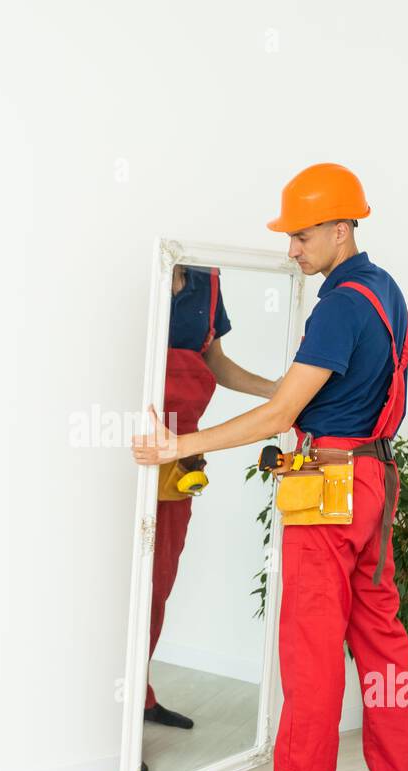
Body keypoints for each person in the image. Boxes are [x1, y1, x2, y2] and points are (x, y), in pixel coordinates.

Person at [131, 163, 408, 771]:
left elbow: (277, 416)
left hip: (326, 486)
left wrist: (176, 447)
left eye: (302, 235)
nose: (292, 249)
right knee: (382, 637)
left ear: (343, 226)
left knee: (312, 648)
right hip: (377, 480)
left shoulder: (339, 306)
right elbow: (317, 394)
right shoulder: (387, 291)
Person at [144, 265, 280, 744]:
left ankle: (137, 695)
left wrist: (275, 390)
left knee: (157, 580)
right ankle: (106, 719)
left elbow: (214, 361)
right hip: (130, 447)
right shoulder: (137, 264)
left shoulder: (208, 280)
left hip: (182, 451)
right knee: (119, 588)